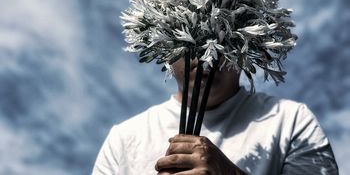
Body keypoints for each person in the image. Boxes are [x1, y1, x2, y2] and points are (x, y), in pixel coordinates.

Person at [92, 57, 339, 174]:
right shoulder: (125, 138)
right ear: (165, 46)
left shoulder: (290, 120)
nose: (207, 55)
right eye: (188, 30)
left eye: (223, 33)